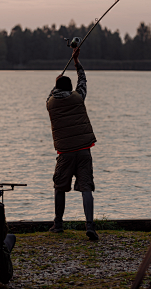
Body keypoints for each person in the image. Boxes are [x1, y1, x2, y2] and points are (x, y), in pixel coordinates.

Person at [46, 47, 98, 240]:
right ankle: (90, 225)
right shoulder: (78, 98)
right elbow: (83, 81)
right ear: (70, 89)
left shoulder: (50, 103)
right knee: (86, 188)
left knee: (60, 186)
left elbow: (50, 94)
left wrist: (56, 83)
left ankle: (58, 224)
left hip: (65, 153)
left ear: (57, 88)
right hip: (84, 151)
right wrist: (77, 62)